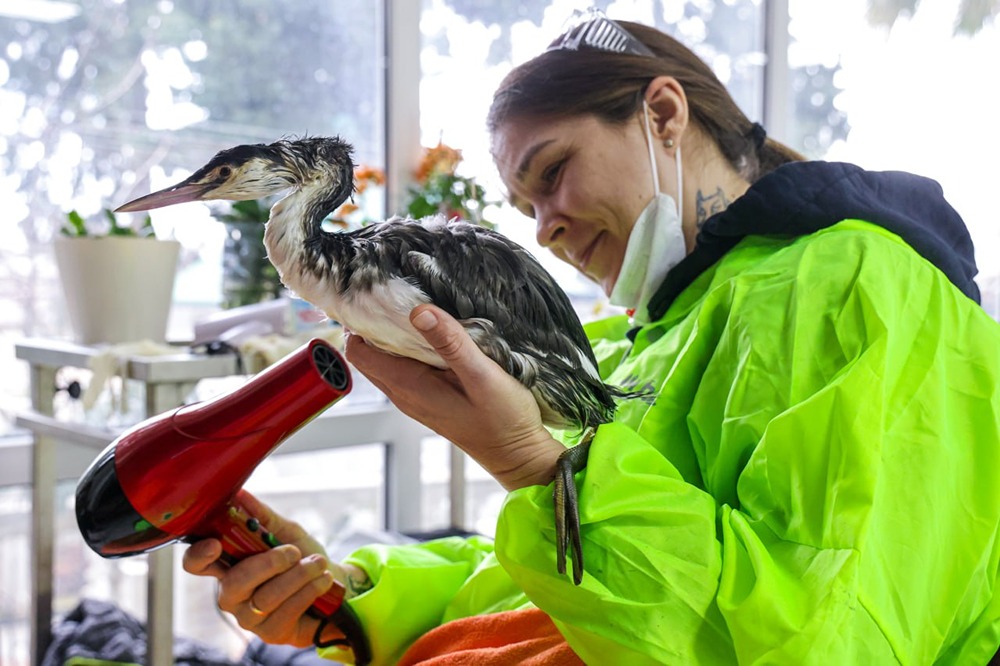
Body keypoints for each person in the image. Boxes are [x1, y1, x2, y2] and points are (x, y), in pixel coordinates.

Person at [183, 9, 1000, 664]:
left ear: (663, 113)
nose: (545, 230)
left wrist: (536, 468)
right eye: (525, 205)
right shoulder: (652, 335)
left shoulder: (855, 287)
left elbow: (822, 637)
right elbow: (562, 586)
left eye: (553, 173)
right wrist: (356, 592)